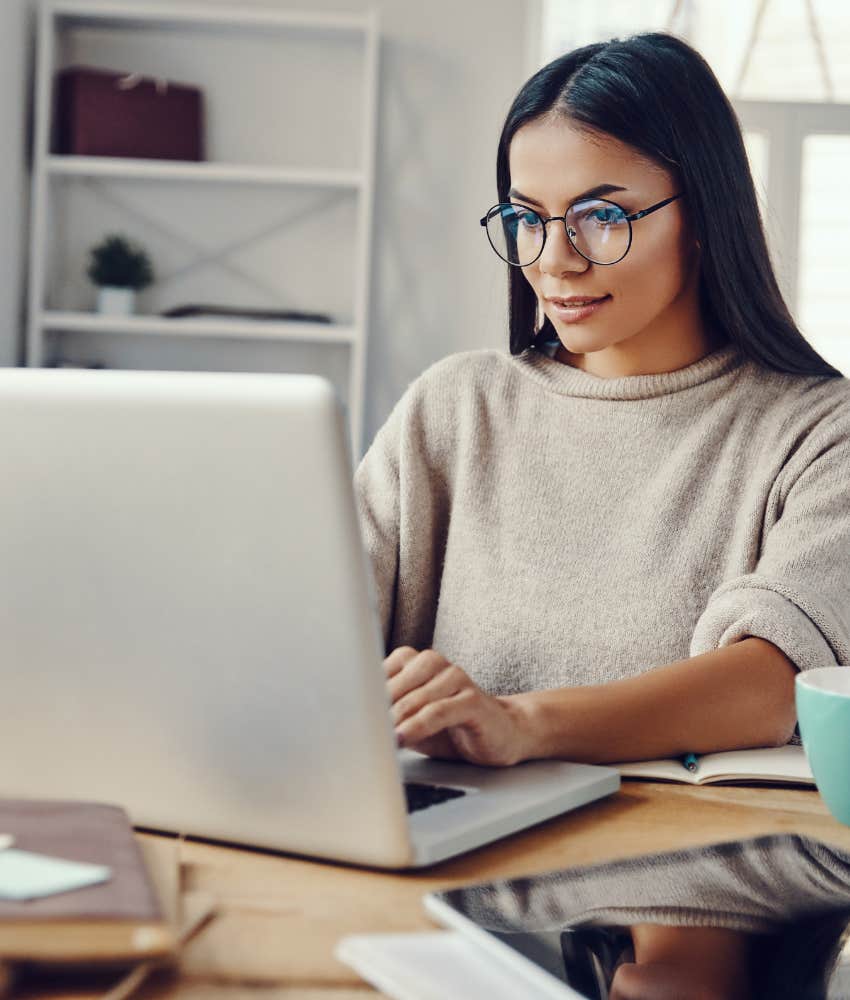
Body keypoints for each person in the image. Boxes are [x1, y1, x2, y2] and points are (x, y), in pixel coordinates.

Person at [354, 32, 850, 768]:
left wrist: (521, 723)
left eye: (602, 216)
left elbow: (769, 684)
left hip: (678, 859)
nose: (555, 260)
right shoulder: (452, 408)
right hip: (452, 838)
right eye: (527, 219)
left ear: (705, 216)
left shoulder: (818, 431)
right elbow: (314, 627)